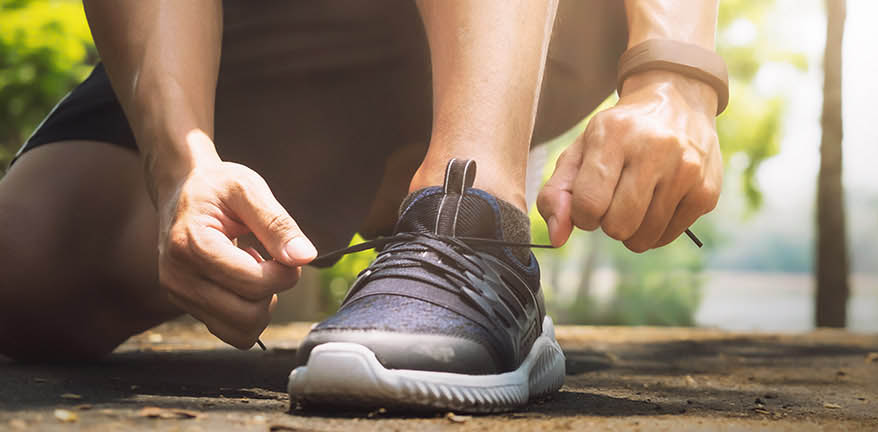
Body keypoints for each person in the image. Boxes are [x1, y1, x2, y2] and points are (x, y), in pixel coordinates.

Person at [0, 0, 726, 412]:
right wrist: (180, 164)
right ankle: (386, 179)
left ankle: (470, 210)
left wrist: (674, 73)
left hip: (549, 25)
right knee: (29, 260)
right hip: (277, 28)